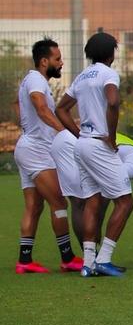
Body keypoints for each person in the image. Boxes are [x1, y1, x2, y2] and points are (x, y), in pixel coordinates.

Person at [55, 32, 133, 277]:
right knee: (125, 201)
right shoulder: (108, 74)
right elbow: (113, 102)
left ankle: (88, 263)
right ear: (111, 53)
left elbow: (61, 108)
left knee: (92, 200)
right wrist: (111, 137)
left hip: (82, 145)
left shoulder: (82, 76)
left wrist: (79, 133)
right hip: (99, 146)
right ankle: (104, 258)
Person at [13, 38, 81, 274]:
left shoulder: (34, 80)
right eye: (58, 59)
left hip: (28, 148)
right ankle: (68, 258)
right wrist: (64, 134)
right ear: (44, 61)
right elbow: (40, 108)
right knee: (59, 202)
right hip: (36, 152)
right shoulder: (35, 79)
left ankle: (24, 260)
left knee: (34, 206)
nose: (61, 63)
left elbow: (32, 108)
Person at [53, 130, 133, 253]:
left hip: (65, 140)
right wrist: (96, 227)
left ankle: (90, 256)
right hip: (73, 144)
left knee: (78, 203)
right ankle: (93, 256)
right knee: (82, 203)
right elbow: (109, 184)